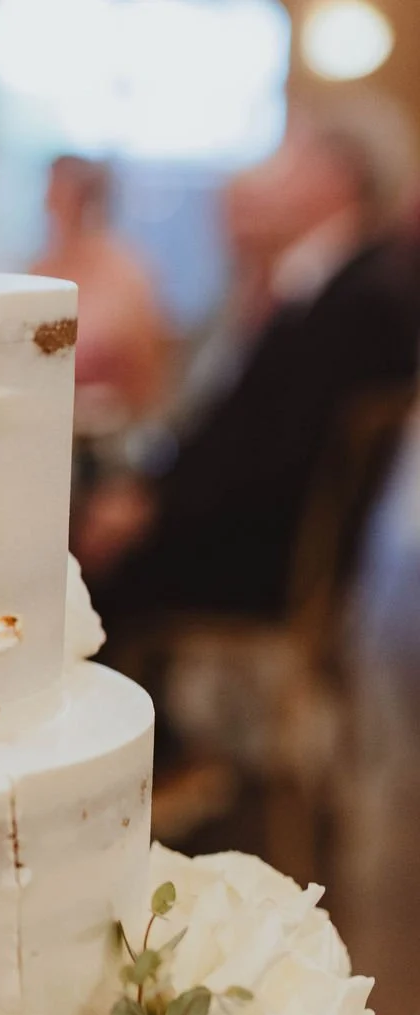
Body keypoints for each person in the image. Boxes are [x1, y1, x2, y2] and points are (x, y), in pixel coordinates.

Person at [77, 91, 420, 637]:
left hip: (265, 559)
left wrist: (154, 512)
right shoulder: (339, 280)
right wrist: (150, 494)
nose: (281, 176)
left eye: (299, 161)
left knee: (80, 580)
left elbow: (279, 455)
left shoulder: (361, 295)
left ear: (340, 177)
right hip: (250, 529)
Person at [31, 155, 169, 429]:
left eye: (61, 192)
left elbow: (148, 374)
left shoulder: (127, 273)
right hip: (47, 425)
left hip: (109, 432)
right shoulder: (41, 268)